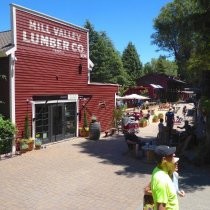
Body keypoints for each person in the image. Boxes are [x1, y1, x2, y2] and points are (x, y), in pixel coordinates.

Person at [151, 145, 179, 210]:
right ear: (164, 160)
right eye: (171, 154)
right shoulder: (162, 181)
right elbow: (161, 207)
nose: (174, 155)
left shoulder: (157, 170)